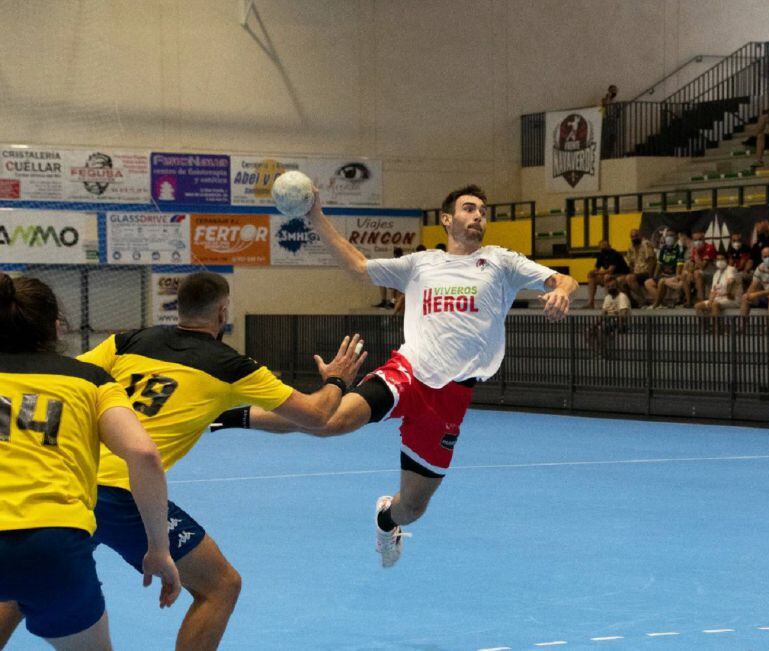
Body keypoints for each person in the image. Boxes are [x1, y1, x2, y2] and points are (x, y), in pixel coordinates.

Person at [0, 272, 368, 649]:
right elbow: (318, 415)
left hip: (68, 488)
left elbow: (60, 379)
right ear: (223, 311)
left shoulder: (127, 341)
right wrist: (337, 381)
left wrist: (224, 416)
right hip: (127, 495)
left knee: (19, 580)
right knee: (221, 586)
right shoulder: (231, 367)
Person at [229, 185, 576, 568]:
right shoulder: (421, 264)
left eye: (483, 211)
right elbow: (359, 268)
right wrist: (315, 215)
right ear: (447, 219)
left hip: (450, 398)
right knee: (329, 421)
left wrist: (561, 291)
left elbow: (564, 280)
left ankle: (385, 520)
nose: (479, 215)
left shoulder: (500, 262)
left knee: (411, 507)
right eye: (469, 208)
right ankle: (225, 415)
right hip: (407, 373)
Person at [0, 274, 181, 649]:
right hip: (54, 545)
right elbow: (144, 455)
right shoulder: (90, 381)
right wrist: (158, 548)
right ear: (55, 327)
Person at [585, 240, 630, 310]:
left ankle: (608, 303)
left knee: (607, 277)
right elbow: (596, 269)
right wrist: (592, 272)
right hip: (610, 274)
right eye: (601, 247)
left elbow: (610, 270)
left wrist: (596, 273)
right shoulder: (601, 255)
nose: (603, 248)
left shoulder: (615, 254)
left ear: (609, 246)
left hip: (621, 274)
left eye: (605, 246)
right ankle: (590, 302)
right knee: (592, 277)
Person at [645, 229, 684, 309]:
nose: (669, 238)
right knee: (648, 283)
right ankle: (663, 303)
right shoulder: (663, 249)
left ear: (676, 237)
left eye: (671, 235)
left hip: (673, 275)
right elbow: (659, 265)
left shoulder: (679, 249)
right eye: (667, 236)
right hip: (663, 275)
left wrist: (677, 277)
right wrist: (654, 277)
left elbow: (679, 267)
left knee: (661, 281)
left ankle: (656, 304)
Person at [619, 228, 656, 307]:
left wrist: (650, 275)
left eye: (636, 236)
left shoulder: (646, 244)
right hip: (637, 273)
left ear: (640, 235)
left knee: (629, 278)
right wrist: (632, 273)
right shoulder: (631, 247)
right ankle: (632, 302)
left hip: (646, 272)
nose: (634, 238)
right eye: (632, 237)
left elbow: (651, 260)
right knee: (620, 280)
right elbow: (630, 263)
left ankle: (643, 299)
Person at [682, 231, 717, 307]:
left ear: (704, 239)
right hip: (700, 273)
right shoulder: (695, 249)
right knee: (685, 274)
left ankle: (701, 300)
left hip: (711, 273)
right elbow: (692, 264)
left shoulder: (710, 247)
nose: (698, 242)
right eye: (695, 240)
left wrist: (697, 254)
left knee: (697, 273)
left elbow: (702, 266)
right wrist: (690, 272)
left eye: (700, 239)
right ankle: (689, 301)